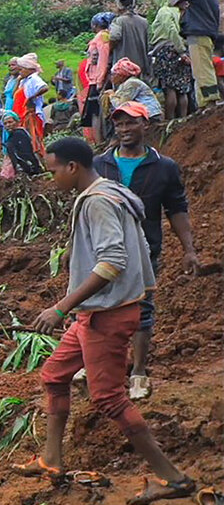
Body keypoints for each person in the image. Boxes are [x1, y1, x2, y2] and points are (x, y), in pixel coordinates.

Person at [15, 138, 197, 505]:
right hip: (94, 313)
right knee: (54, 375)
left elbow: (112, 262)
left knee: (109, 398)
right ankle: (51, 459)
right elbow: (130, 247)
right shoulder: (109, 191)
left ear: (72, 168)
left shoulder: (98, 202)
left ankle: (173, 478)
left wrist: (61, 308)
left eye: (53, 171)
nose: (51, 178)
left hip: (106, 315)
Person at [92, 103, 198, 401]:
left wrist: (188, 249)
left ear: (146, 126)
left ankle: (138, 371)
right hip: (104, 247)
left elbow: (176, 208)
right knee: (100, 303)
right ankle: (101, 363)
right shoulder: (100, 164)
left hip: (145, 247)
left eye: (131, 124)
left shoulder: (164, 167)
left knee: (141, 306)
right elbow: (86, 206)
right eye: (120, 124)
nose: (124, 130)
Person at [167, 0, 219, 108]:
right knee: (204, 65)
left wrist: (182, 4)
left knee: (201, 69)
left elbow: (172, 0)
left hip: (197, 30)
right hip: (209, 30)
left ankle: (209, 102)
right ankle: (204, 103)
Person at [107, 0, 151, 82]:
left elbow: (114, 37)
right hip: (141, 64)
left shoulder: (119, 21)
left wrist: (109, 49)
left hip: (123, 66)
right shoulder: (144, 22)